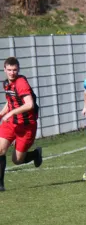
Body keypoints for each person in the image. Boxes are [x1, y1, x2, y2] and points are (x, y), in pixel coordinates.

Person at [0, 57, 43, 191]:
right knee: (0, 150)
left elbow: (29, 104)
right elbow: (11, 101)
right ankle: (0, 185)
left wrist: (11, 113)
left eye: (14, 70)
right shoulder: (6, 83)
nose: (12, 73)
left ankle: (35, 154)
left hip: (26, 126)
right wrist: (2, 114)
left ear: (18, 70)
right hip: (11, 124)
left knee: (17, 160)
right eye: (9, 70)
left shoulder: (21, 83)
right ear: (4, 69)